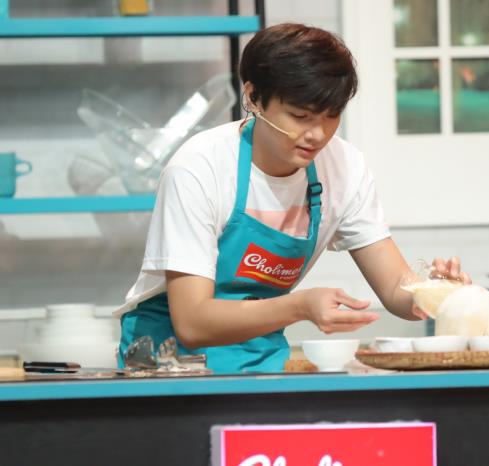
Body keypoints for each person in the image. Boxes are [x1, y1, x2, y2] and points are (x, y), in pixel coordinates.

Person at [114, 23, 470, 374]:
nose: (317, 135)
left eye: (331, 117)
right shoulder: (200, 168)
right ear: (254, 97)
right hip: (170, 365)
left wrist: (436, 294)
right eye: (300, 116)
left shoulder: (343, 167)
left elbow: (395, 289)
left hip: (260, 356)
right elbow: (193, 322)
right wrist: (299, 306)